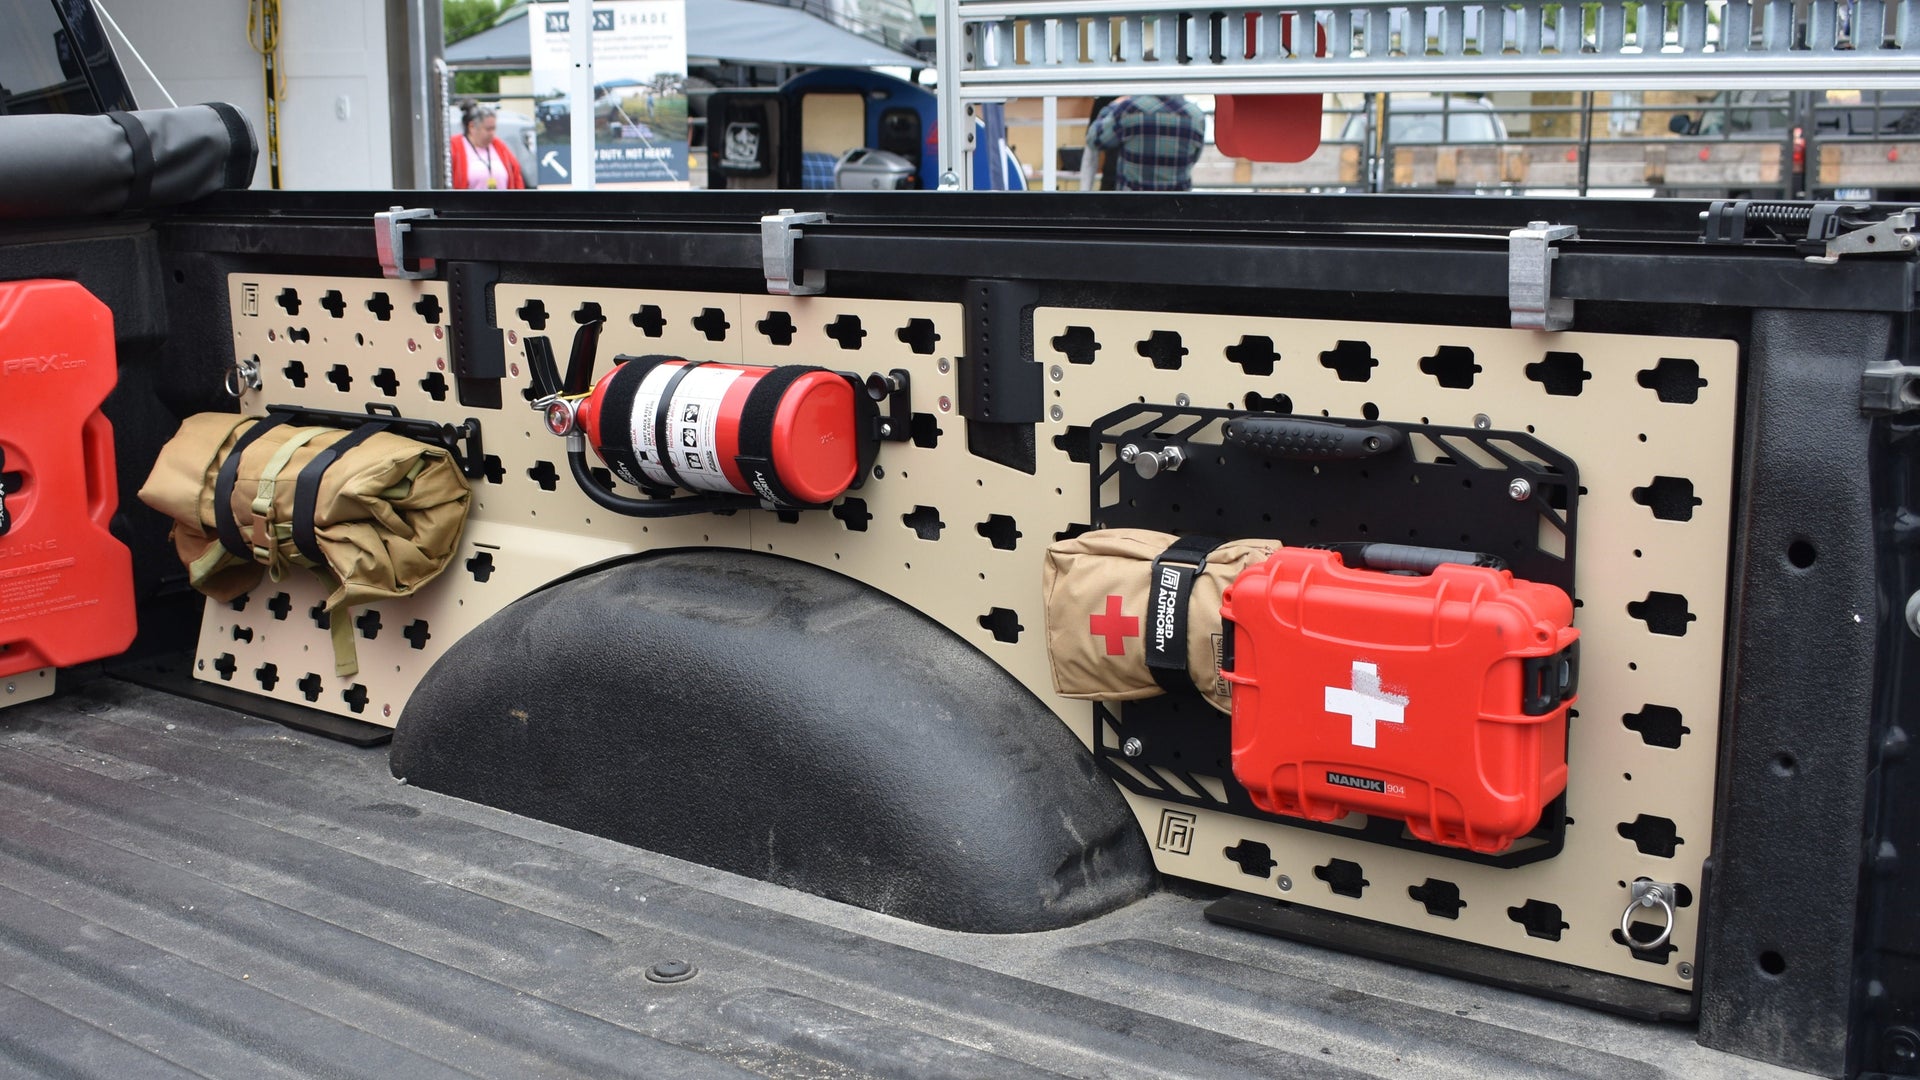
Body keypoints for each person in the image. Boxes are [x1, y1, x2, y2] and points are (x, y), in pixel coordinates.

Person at [1085, 94, 1206, 192]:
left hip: (1133, 210)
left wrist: (1113, 106)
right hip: (1177, 209)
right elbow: (1194, 158)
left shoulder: (1130, 109)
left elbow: (1094, 139)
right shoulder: (1195, 116)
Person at [451, 102, 525, 190]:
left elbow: (516, 173)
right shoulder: (455, 146)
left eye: (494, 128)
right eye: (488, 129)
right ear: (472, 127)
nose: (492, 133)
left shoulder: (499, 146)